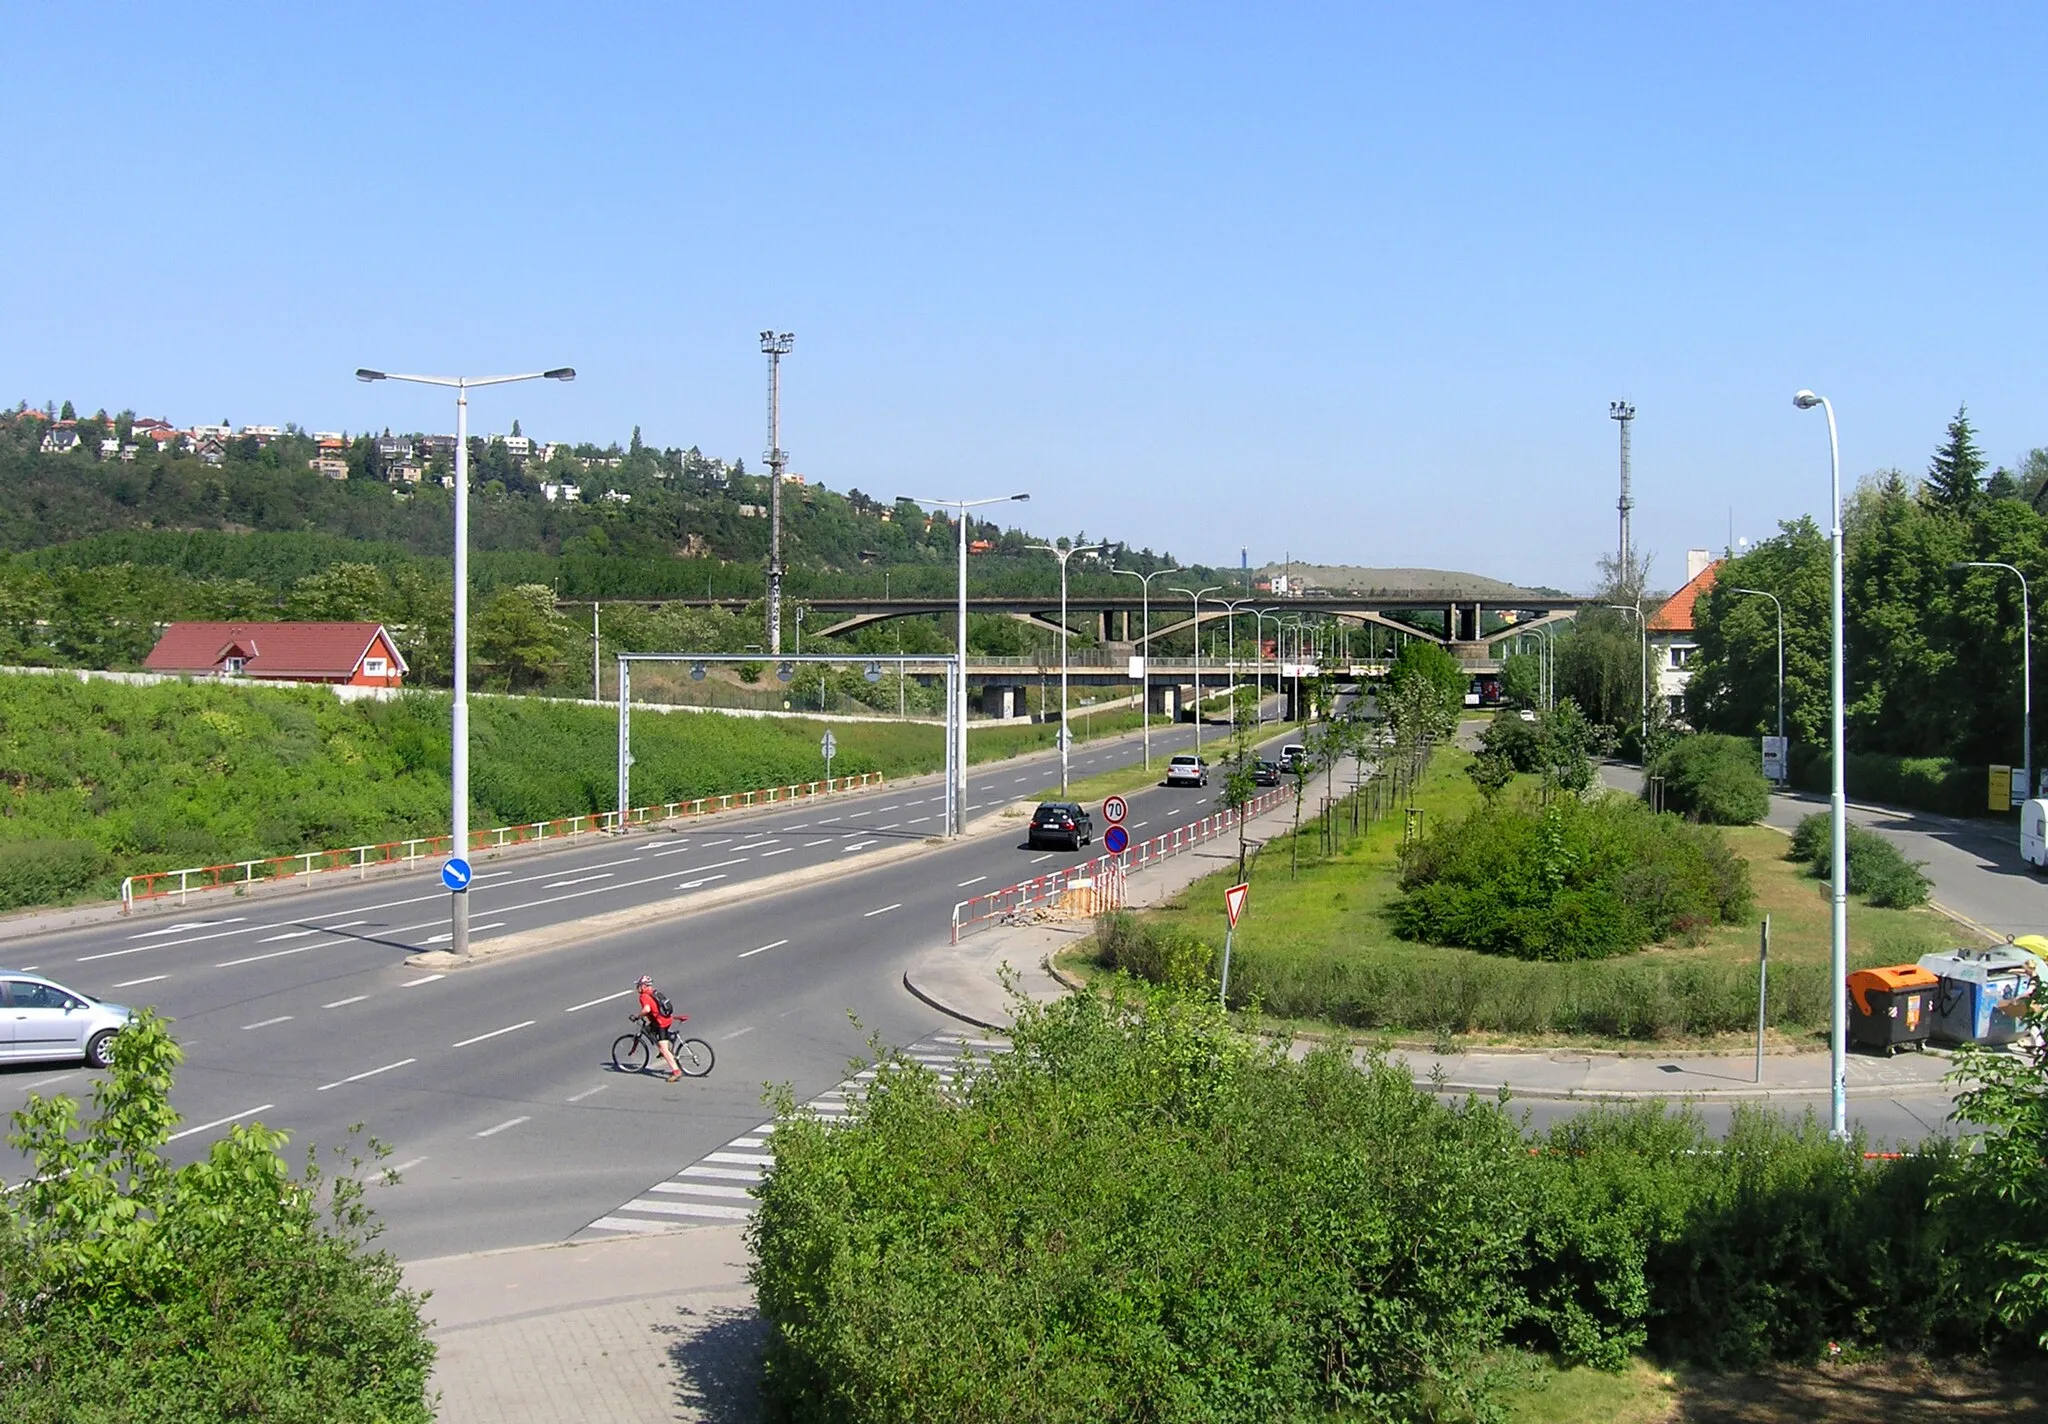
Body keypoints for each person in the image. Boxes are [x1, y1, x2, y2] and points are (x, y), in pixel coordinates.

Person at [634, 974, 684, 1081]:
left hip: (661, 1023)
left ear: (643, 986)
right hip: (666, 1019)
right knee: (649, 1029)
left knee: (663, 1048)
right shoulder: (654, 992)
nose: (637, 987)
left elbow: (647, 1009)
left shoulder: (644, 996)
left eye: (639, 985)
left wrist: (637, 1016)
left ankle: (676, 1071)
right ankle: (669, 1037)